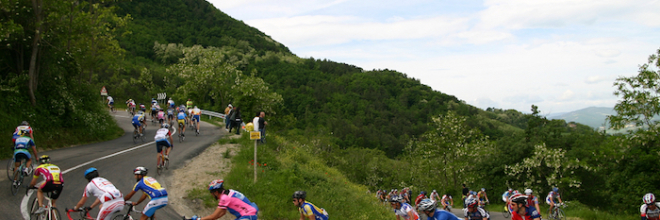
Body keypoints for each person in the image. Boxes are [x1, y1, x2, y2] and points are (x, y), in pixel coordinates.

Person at [190, 179, 258, 220]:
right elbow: (222, 212)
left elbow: (213, 216)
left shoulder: (224, 199)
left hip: (248, 215)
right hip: (250, 213)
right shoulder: (230, 191)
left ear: (216, 192)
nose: (211, 195)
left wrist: (199, 219)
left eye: (211, 193)